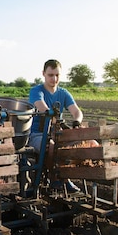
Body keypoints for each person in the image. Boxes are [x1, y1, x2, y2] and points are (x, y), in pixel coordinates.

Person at [28, 59, 85, 193]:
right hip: (37, 134)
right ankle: (58, 178)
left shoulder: (63, 93)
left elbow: (76, 111)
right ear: (43, 74)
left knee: (83, 144)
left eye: (57, 75)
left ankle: (66, 175)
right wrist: (56, 120)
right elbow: (43, 108)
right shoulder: (36, 91)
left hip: (57, 132)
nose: (54, 79)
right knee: (51, 145)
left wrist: (77, 121)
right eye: (50, 75)